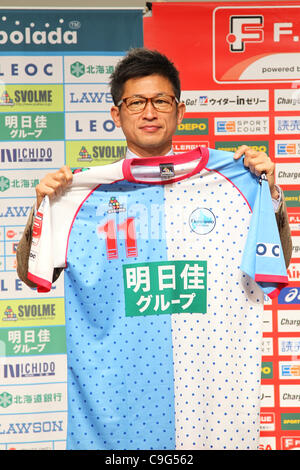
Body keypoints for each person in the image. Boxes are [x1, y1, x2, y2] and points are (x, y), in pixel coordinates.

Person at [16, 48, 292, 450]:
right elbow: (29, 274)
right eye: (136, 102)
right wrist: (41, 208)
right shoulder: (78, 196)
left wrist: (270, 195)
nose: (149, 113)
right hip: (115, 414)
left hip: (212, 412)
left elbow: (276, 264)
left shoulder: (237, 184)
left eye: (161, 101)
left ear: (179, 111)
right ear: (116, 114)